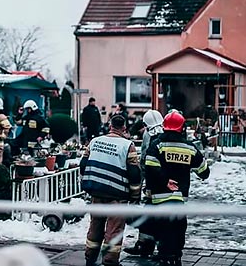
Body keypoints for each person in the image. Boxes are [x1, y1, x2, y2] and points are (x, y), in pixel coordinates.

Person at [145, 110, 210, 266]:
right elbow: (204, 172)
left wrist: (164, 180)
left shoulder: (157, 145)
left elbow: (150, 167)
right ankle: (176, 255)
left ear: (165, 127)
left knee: (163, 228)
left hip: (159, 197)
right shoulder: (190, 148)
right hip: (179, 197)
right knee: (179, 227)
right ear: (182, 128)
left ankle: (164, 255)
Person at [80, 115, 141, 266]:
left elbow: (83, 164)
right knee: (114, 230)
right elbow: (134, 173)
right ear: (124, 128)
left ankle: (90, 258)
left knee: (95, 225)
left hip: (97, 192)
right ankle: (109, 261)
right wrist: (134, 195)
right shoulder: (128, 146)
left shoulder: (94, 141)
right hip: (117, 195)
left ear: (110, 126)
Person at [124, 109, 164, 258]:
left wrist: (141, 182)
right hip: (168, 185)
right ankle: (161, 248)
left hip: (152, 184)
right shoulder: (168, 133)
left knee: (149, 215)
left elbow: (144, 160)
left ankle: (144, 246)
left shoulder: (149, 135)